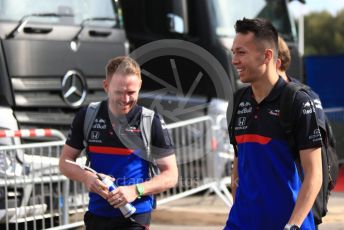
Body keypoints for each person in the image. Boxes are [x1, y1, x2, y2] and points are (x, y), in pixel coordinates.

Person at [59, 56, 178, 230]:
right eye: (119, 92)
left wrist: (135, 190)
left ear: (139, 86)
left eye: (131, 92)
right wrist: (86, 177)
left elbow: (171, 175)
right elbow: (64, 162)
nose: (125, 99)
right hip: (96, 216)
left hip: (134, 217)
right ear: (106, 86)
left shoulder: (150, 121)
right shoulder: (87, 116)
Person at [225, 18, 323, 230]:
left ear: (267, 55)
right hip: (241, 223)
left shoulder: (298, 100)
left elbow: (315, 174)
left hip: (288, 225)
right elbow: (238, 165)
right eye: (233, 52)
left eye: (241, 52)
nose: (234, 60)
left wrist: (293, 225)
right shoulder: (238, 100)